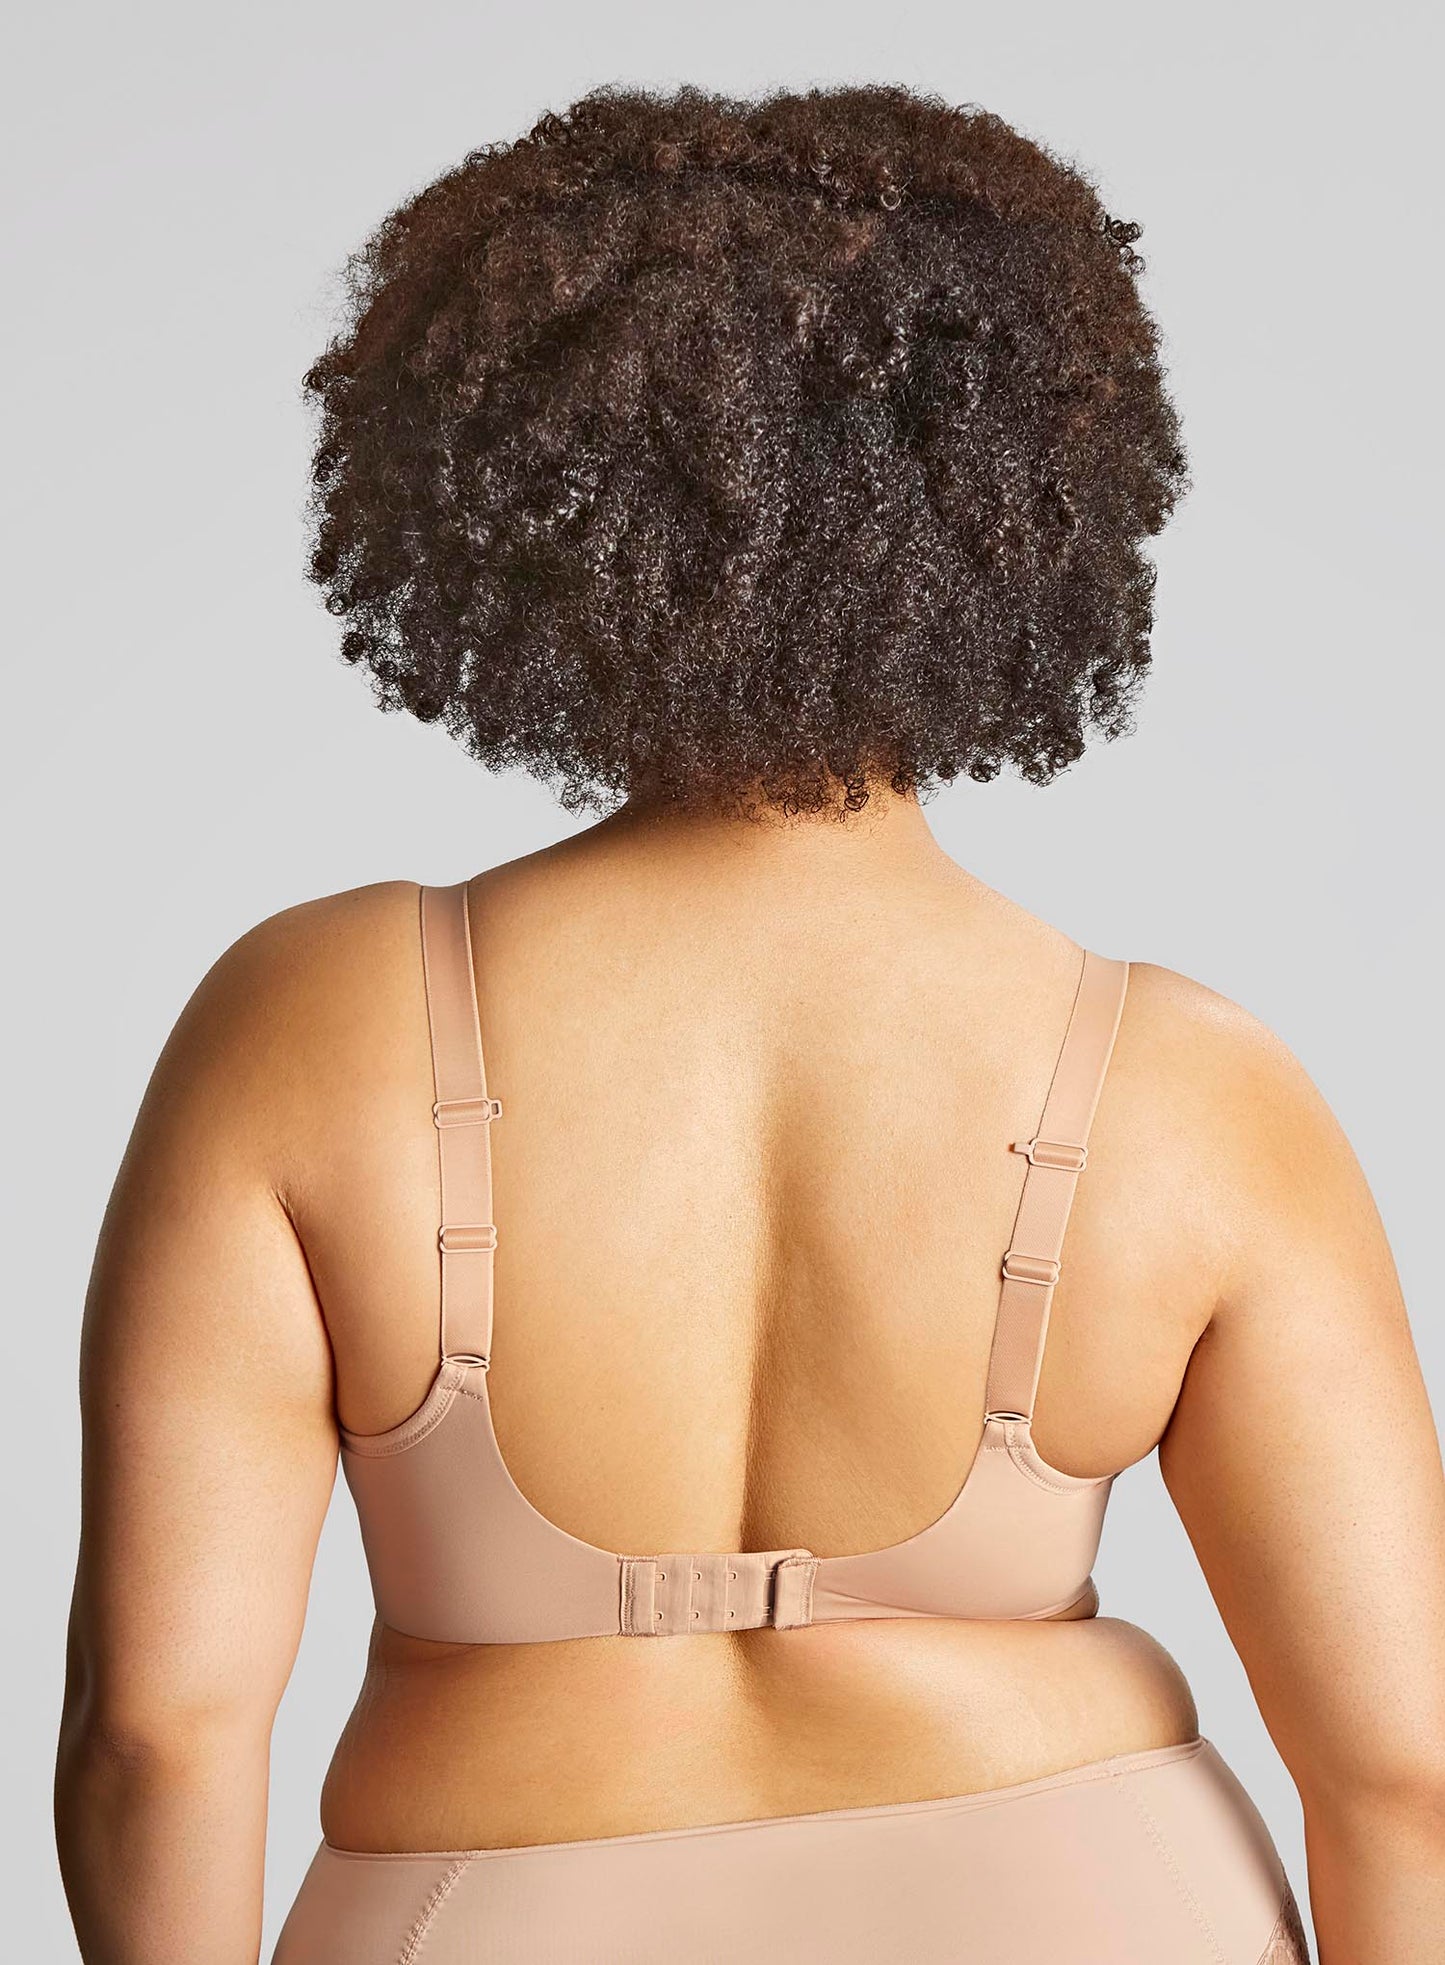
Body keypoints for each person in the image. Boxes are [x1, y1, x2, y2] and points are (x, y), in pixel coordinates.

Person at [54, 83, 1444, 1964]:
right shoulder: (1194, 1085)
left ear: (523, 506)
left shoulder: (311, 1021)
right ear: (1020, 513)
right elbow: (1406, 1773)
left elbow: (156, 1733)